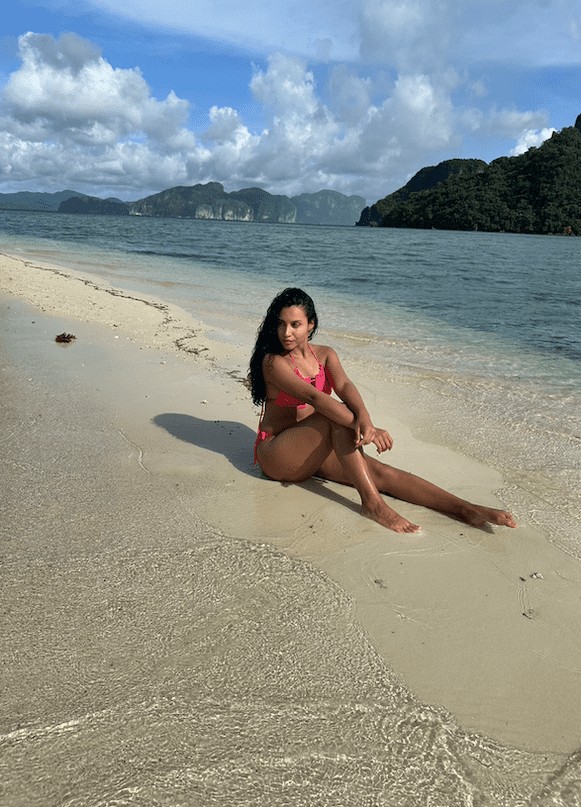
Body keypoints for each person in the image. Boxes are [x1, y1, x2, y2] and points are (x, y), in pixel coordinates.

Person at [249, 287, 517, 534]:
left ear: (311, 325)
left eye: (295, 325)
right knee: (333, 417)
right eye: (281, 324)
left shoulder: (326, 354)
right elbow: (315, 398)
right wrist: (368, 430)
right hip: (277, 456)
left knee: (380, 473)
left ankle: (466, 509)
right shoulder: (273, 362)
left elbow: (344, 385)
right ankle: (372, 504)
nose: (286, 333)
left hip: (314, 451)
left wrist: (366, 420)